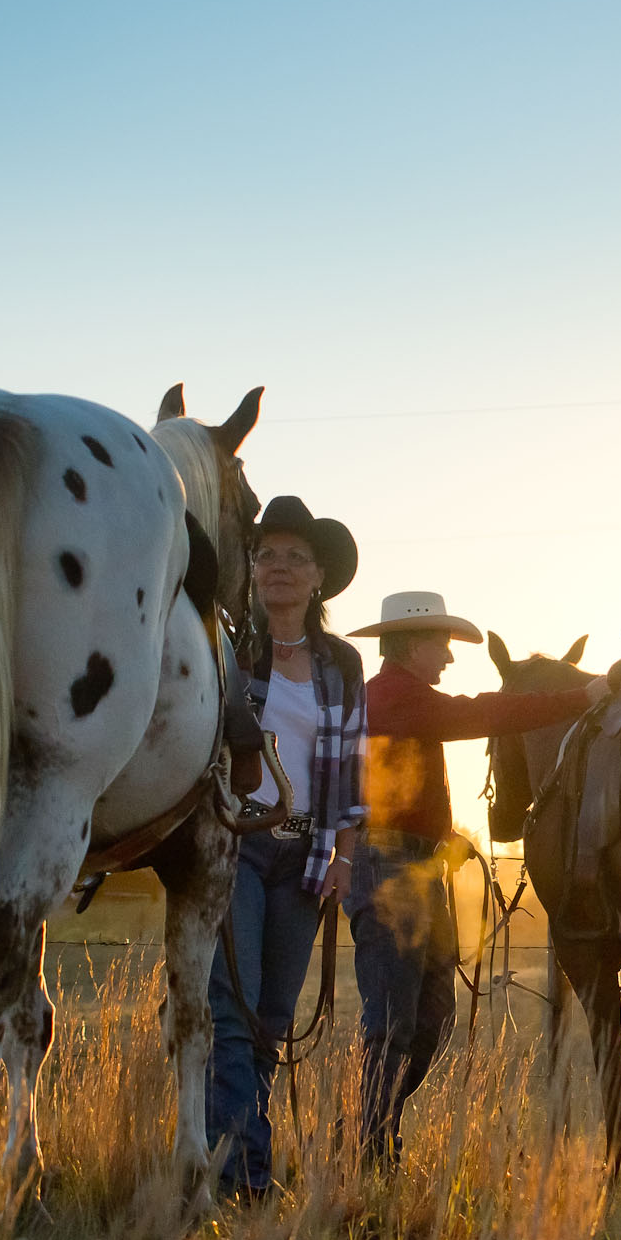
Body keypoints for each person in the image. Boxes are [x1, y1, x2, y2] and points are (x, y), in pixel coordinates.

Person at [346, 592, 608, 1165]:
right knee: (393, 1021)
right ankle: (368, 1148)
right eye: (441, 645)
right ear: (413, 644)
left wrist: (444, 834)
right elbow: (481, 713)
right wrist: (580, 698)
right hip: (389, 871)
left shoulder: (401, 699)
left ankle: (372, 1123)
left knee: (432, 1015)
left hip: (416, 865)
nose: (448, 657)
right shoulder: (393, 696)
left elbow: (400, 785)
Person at [207, 495, 366, 1201]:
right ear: (250, 566)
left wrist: (347, 858)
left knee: (273, 1017)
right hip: (238, 843)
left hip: (305, 858)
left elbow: (354, 769)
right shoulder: (228, 645)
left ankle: (235, 1157)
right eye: (265, 553)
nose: (278, 567)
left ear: (318, 577)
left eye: (294, 556)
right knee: (232, 1011)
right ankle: (247, 1175)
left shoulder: (343, 663)